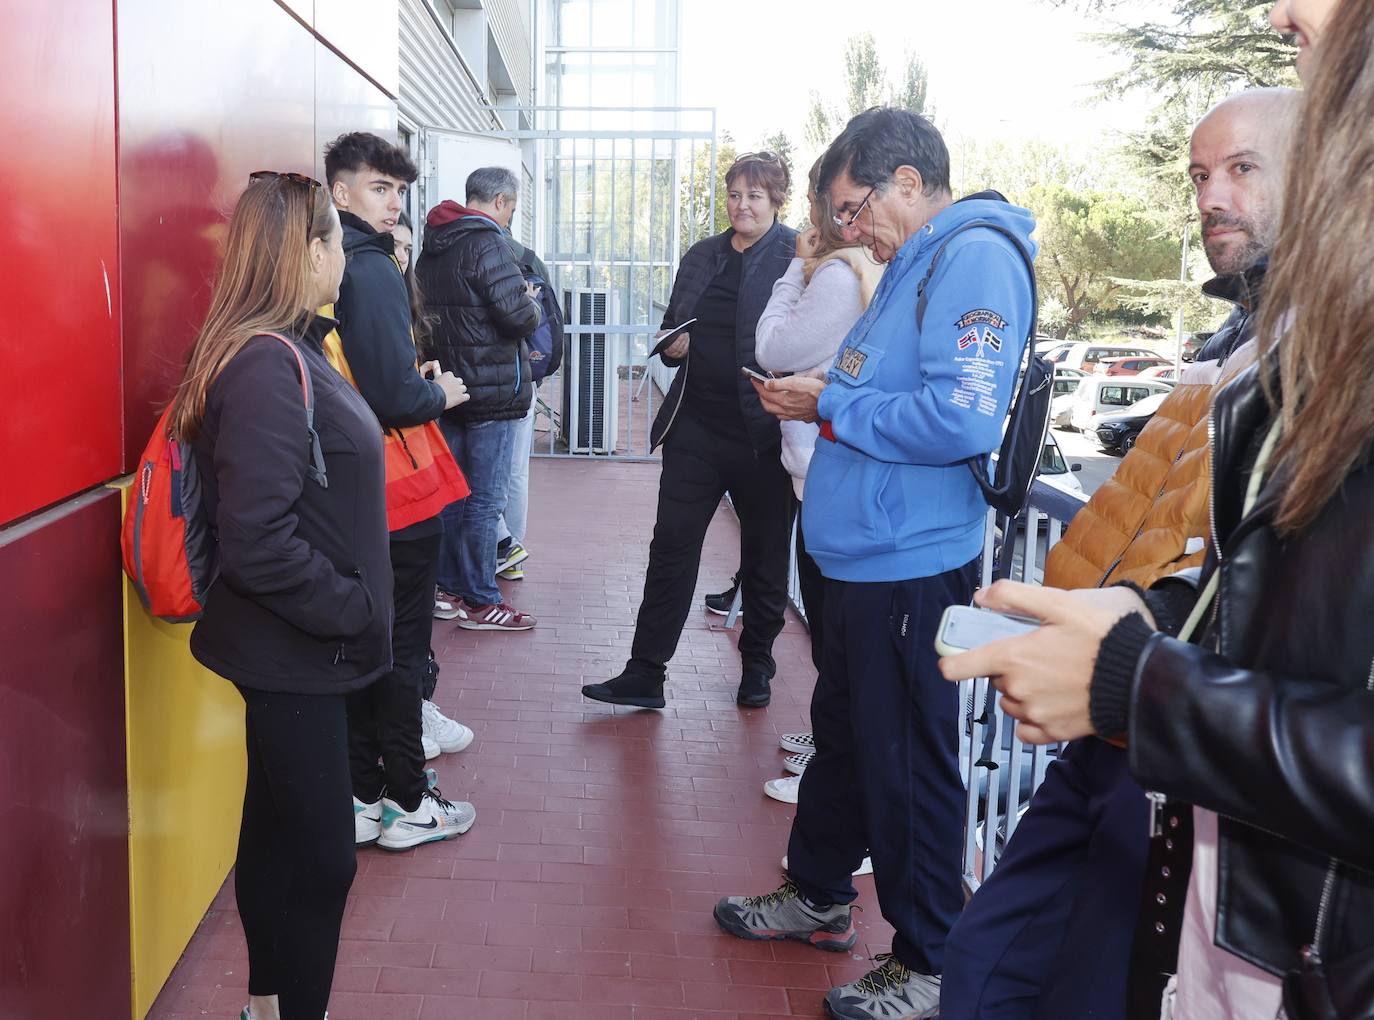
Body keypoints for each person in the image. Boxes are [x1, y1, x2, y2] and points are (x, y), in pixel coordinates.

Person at [941, 3, 1374, 1017]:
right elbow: (1272, 587)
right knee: (995, 964)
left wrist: (1138, 678)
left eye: (1246, 169)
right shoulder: (1271, 344)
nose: (1281, 15)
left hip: (1232, 836)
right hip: (1204, 819)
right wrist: (1141, 624)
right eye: (1199, 175)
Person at [713, 108, 1037, 1020]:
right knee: (850, 739)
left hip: (908, 562)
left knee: (906, 762)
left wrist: (835, 410)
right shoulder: (919, 262)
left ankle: (931, 957)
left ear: (906, 180)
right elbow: (892, 389)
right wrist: (831, 397)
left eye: (856, 209)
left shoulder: (970, 256)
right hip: (865, 560)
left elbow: (963, 419)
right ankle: (818, 888)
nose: (851, 231)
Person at [169, 172, 387, 1020]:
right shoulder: (266, 363)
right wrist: (351, 607)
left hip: (300, 645)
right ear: (307, 252)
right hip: (297, 649)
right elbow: (257, 540)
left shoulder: (287, 347)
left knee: (272, 825)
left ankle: (264, 1004)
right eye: (335, 239)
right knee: (324, 858)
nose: (345, 256)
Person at [580, 151, 798, 711]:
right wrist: (672, 345)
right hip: (696, 427)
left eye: (754, 195)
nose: (742, 205)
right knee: (671, 548)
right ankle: (645, 673)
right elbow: (673, 331)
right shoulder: (702, 256)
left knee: (766, 555)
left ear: (777, 201)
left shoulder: (799, 256)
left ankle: (757, 666)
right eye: (734, 194)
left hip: (764, 434)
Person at [321, 132, 477, 851]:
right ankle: (411, 802)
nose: (394, 203)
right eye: (379, 188)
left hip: (347, 490)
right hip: (398, 484)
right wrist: (437, 391)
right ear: (342, 192)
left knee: (364, 644)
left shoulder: (321, 263)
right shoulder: (374, 267)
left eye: (398, 190)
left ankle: (360, 794)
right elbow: (391, 391)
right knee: (401, 647)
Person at [752, 155, 885, 803]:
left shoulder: (835, 277)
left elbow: (774, 349)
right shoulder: (855, 268)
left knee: (838, 636)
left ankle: (836, 765)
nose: (824, 214)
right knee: (834, 632)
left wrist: (788, 275)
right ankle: (829, 742)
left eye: (831, 202)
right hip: (828, 469)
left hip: (831, 471)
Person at [417, 167, 541, 631]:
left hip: (450, 388)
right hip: (492, 392)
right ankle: (481, 599)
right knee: (486, 499)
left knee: (453, 494)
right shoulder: (490, 242)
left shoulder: (434, 242)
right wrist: (529, 301)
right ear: (503, 202)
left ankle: (448, 586)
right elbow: (516, 317)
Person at [492, 231, 557, 582]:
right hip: (525, 377)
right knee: (516, 472)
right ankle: (512, 551)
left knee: (486, 472)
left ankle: (502, 547)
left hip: (490, 379)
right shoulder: (531, 259)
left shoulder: (479, 258)